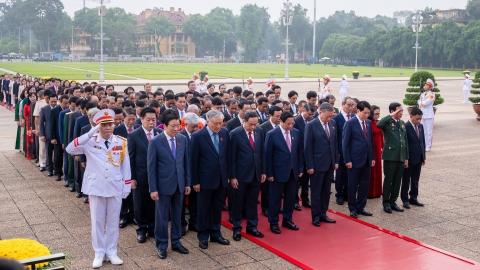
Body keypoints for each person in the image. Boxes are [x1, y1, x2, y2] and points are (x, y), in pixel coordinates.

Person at [66, 109, 131, 268]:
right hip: (96, 186)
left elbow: (125, 164)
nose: (108, 127)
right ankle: (99, 252)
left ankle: (111, 251)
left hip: (114, 185)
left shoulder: (120, 142)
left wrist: (127, 184)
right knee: (97, 221)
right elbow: (70, 149)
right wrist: (89, 133)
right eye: (104, 125)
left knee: (113, 221)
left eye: (110, 124)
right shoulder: (89, 141)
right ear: (97, 126)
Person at [147, 109, 190, 259]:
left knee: (178, 215)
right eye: (173, 126)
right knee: (162, 217)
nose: (177, 129)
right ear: (164, 126)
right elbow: (151, 168)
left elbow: (186, 163)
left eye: (178, 125)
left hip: (179, 184)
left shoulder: (182, 139)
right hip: (162, 186)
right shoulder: (155, 142)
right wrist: (153, 189)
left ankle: (176, 242)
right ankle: (162, 245)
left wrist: (187, 183)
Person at [191, 110, 230, 249]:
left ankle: (216, 233)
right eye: (216, 124)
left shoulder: (224, 133)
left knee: (217, 207)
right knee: (204, 209)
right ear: (207, 121)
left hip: (221, 178)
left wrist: (229, 176)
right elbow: (193, 160)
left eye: (221, 123)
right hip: (205, 179)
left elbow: (227, 156)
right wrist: (195, 181)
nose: (218, 126)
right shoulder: (197, 136)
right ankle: (203, 236)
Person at [229, 110, 266, 241]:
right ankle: (237, 228)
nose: (253, 127)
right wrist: (232, 176)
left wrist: (263, 171)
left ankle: (252, 226)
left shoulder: (259, 131)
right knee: (238, 202)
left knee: (252, 201)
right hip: (240, 175)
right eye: (251, 124)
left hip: (256, 173)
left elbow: (262, 153)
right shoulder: (235, 134)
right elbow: (231, 157)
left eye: (256, 124)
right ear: (244, 121)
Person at [128, 107, 163, 243]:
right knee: (140, 204)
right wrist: (132, 178)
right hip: (141, 176)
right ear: (141, 119)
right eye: (148, 120)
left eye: (153, 120)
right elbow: (130, 159)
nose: (151, 122)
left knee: (154, 204)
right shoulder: (134, 135)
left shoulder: (160, 133)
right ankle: (141, 229)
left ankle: (153, 228)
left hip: (157, 176)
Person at [265, 111, 303, 234]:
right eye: (288, 124)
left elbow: (299, 152)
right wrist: (269, 173)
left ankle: (287, 219)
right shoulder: (272, 134)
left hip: (293, 171)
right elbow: (268, 156)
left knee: (291, 198)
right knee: (275, 199)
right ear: (281, 121)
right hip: (277, 172)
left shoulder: (296, 133)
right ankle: (274, 222)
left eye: (292, 123)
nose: (291, 126)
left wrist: (300, 168)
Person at [304, 103, 338, 227]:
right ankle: (316, 215)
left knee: (326, 191)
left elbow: (334, 144)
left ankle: (323, 213)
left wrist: (335, 161)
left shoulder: (333, 123)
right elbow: (307, 147)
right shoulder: (311, 125)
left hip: (329, 163)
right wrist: (310, 166)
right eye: (327, 116)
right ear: (320, 112)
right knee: (316, 191)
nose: (329, 119)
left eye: (331, 116)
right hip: (317, 164)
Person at [343, 101, 375, 218]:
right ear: (358, 111)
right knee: (352, 184)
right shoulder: (350, 123)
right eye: (364, 113)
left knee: (364, 184)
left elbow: (370, 141)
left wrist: (372, 157)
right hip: (354, 160)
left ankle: (361, 206)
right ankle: (352, 208)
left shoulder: (368, 123)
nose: (366, 115)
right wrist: (347, 160)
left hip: (366, 159)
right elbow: (345, 143)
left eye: (368, 113)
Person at [377, 102, 409, 214]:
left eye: (402, 111)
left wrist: (406, 158)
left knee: (397, 181)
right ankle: (386, 203)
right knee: (389, 180)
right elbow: (379, 124)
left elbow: (405, 142)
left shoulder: (402, 123)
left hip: (400, 157)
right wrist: (390, 115)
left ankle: (393, 201)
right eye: (398, 111)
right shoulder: (387, 122)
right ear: (392, 111)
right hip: (390, 157)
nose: (401, 113)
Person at [259, 105, 282, 217]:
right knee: (267, 188)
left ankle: (276, 206)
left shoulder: (281, 127)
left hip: (279, 162)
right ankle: (266, 207)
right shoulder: (263, 128)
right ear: (270, 115)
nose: (279, 118)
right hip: (268, 160)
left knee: (278, 187)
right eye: (277, 116)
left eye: (280, 116)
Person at [332, 97, 355, 205]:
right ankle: (339, 194)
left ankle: (347, 193)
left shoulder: (354, 117)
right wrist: (336, 152)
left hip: (352, 151)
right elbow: (335, 138)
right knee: (340, 174)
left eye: (352, 106)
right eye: (348, 105)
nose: (350, 108)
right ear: (342, 104)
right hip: (341, 151)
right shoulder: (336, 119)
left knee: (349, 174)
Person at [401, 107, 425, 209]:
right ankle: (405, 199)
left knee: (415, 179)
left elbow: (422, 142)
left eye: (420, 119)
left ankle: (413, 197)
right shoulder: (405, 127)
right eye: (417, 119)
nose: (418, 121)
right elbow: (404, 144)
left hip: (418, 158)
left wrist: (423, 157)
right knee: (406, 179)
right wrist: (405, 158)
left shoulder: (420, 126)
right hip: (409, 158)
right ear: (411, 117)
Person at [180, 113, 200, 235]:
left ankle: (194, 221)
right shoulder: (180, 136)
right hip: (182, 173)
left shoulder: (198, 136)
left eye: (197, 126)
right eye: (193, 126)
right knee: (181, 202)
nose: (195, 129)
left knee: (195, 200)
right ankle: (182, 224)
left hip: (195, 173)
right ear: (186, 125)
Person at [293, 103, 316, 210]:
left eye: (312, 114)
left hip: (308, 155)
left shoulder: (312, 121)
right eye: (309, 114)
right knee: (296, 179)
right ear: (303, 110)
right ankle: (295, 200)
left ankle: (305, 199)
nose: (310, 116)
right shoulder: (296, 121)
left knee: (306, 180)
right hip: (298, 154)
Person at [49, 95, 69, 181]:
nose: (66, 105)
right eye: (65, 103)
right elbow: (52, 125)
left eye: (68, 103)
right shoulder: (54, 111)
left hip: (67, 136)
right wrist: (52, 137)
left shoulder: (70, 111)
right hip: (57, 137)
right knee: (58, 156)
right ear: (60, 102)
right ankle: (58, 172)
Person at [39, 92, 57, 177]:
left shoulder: (59, 109)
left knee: (57, 154)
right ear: (48, 100)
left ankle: (57, 169)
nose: (53, 103)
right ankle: (49, 169)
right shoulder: (44, 109)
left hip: (57, 135)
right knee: (48, 153)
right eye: (52, 101)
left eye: (55, 101)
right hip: (48, 134)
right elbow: (41, 122)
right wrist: (42, 134)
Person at [368, 105, 383, 198]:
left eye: (378, 114)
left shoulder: (379, 123)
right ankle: (370, 192)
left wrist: (383, 147)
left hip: (378, 149)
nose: (377, 116)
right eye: (375, 114)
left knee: (378, 169)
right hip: (371, 148)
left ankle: (377, 191)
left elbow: (381, 136)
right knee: (371, 170)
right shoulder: (368, 123)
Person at [418, 79, 435, 152]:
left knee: (429, 131)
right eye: (425, 85)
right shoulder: (422, 94)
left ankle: (428, 145)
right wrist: (421, 102)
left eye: (427, 85)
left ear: (430, 87)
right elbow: (418, 101)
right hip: (422, 114)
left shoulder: (432, 95)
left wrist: (421, 102)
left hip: (428, 114)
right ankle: (424, 144)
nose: (425, 86)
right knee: (423, 130)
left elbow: (426, 103)